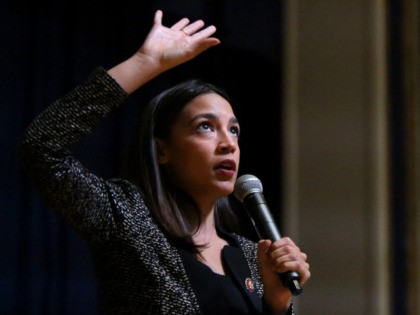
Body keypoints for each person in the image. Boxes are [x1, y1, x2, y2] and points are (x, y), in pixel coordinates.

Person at [20, 9, 310, 315]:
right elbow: (42, 146)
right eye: (205, 127)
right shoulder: (126, 221)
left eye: (234, 130)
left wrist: (277, 306)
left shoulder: (252, 254)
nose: (228, 143)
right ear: (162, 151)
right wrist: (145, 63)